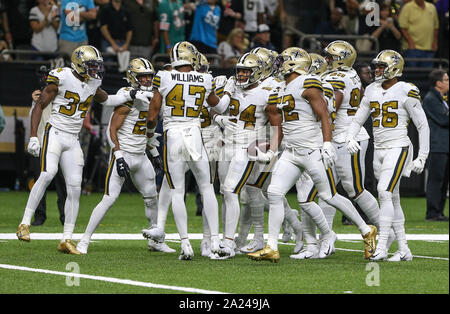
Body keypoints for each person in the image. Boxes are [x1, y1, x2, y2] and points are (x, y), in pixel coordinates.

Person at [16, 45, 154, 254]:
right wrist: (34, 136)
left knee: (74, 187)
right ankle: (25, 223)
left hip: (73, 139)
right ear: (79, 64)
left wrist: (132, 94)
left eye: (96, 66)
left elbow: (108, 100)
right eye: (91, 66)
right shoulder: (61, 77)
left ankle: (67, 239)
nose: (95, 70)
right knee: (47, 173)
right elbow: (40, 105)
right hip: (55, 132)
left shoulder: (92, 82)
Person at [248, 48, 377, 263]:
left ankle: (366, 230)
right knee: (274, 192)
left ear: (293, 63)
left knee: (329, 196)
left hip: (312, 149)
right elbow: (279, 125)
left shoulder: (308, 83)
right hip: (291, 152)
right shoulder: (282, 87)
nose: (278, 65)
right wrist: (272, 150)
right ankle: (272, 246)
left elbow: (324, 115)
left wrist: (327, 143)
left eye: (283, 61)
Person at [142, 41, 232, 260]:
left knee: (177, 191)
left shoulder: (164, 76)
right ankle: (215, 241)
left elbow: (152, 115)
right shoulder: (205, 78)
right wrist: (228, 91)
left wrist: (149, 135)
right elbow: (219, 107)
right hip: (195, 134)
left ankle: (185, 244)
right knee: (207, 187)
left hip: (173, 134)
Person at [76, 57, 175, 254]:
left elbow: (145, 129)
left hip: (140, 154)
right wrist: (119, 156)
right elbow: (111, 130)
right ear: (132, 77)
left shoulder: (154, 96)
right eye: (143, 77)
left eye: (149, 76)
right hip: (125, 153)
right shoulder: (127, 97)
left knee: (151, 198)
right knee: (109, 198)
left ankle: (155, 241)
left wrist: (153, 151)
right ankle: (84, 240)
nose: (147, 80)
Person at [346, 49, 430, 261]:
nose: (376, 70)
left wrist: (422, 156)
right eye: (376, 66)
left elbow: (422, 125)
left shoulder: (406, 89)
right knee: (393, 197)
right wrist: (350, 137)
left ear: (393, 68)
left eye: (381, 66)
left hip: (399, 146)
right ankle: (404, 250)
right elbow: (357, 119)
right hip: (379, 148)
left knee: (384, 192)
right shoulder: (372, 89)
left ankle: (382, 246)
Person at [208, 52, 283, 259]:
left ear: (257, 72)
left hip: (248, 145)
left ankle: (229, 243)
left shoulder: (268, 91)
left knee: (232, 190)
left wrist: (272, 150)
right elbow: (212, 108)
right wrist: (217, 116)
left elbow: (277, 125)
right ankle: (228, 238)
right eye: (239, 70)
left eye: (246, 71)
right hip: (227, 143)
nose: (241, 74)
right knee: (225, 192)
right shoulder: (230, 86)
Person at [321, 41, 383, 237]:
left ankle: (385, 230)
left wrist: (325, 138)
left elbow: (331, 109)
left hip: (346, 138)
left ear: (340, 60)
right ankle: (326, 237)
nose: (326, 60)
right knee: (326, 189)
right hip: (340, 135)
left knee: (354, 188)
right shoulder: (352, 74)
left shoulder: (337, 78)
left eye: (330, 57)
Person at [423, 69, 449, 221]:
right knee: (436, 180)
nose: (448, 82)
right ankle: (432, 212)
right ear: (438, 83)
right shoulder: (430, 98)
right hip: (437, 145)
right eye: (446, 80)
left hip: (444, 145)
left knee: (444, 180)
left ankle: (439, 211)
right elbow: (444, 120)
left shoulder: (442, 98)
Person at [398, 0, 439, 68]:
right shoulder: (407, 7)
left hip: (429, 49)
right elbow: (402, 27)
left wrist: (435, 42)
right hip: (413, 49)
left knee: (427, 75)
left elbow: (436, 27)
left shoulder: (432, 7)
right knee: (413, 75)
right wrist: (410, 42)